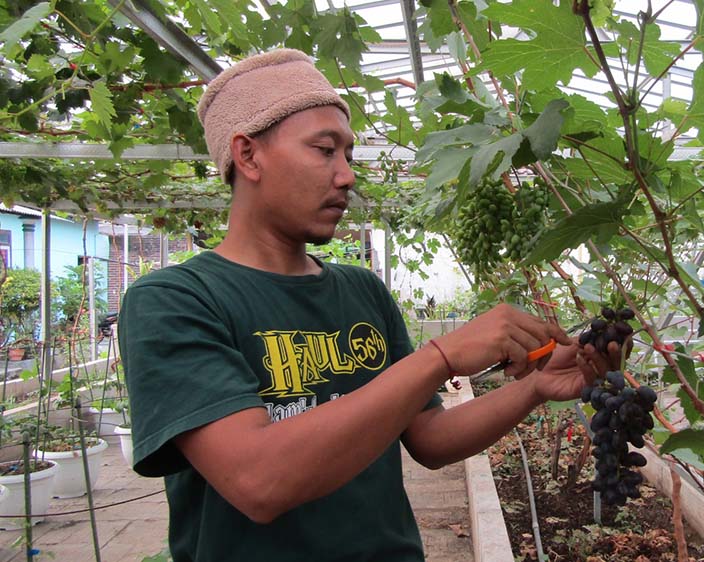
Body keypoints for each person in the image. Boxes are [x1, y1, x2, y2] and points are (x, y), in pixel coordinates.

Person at [119, 48, 618, 562]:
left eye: (349, 156)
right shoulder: (175, 301)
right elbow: (258, 480)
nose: (347, 176)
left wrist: (537, 387)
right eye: (324, 150)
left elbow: (429, 437)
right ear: (248, 155)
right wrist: (440, 357)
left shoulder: (363, 291)